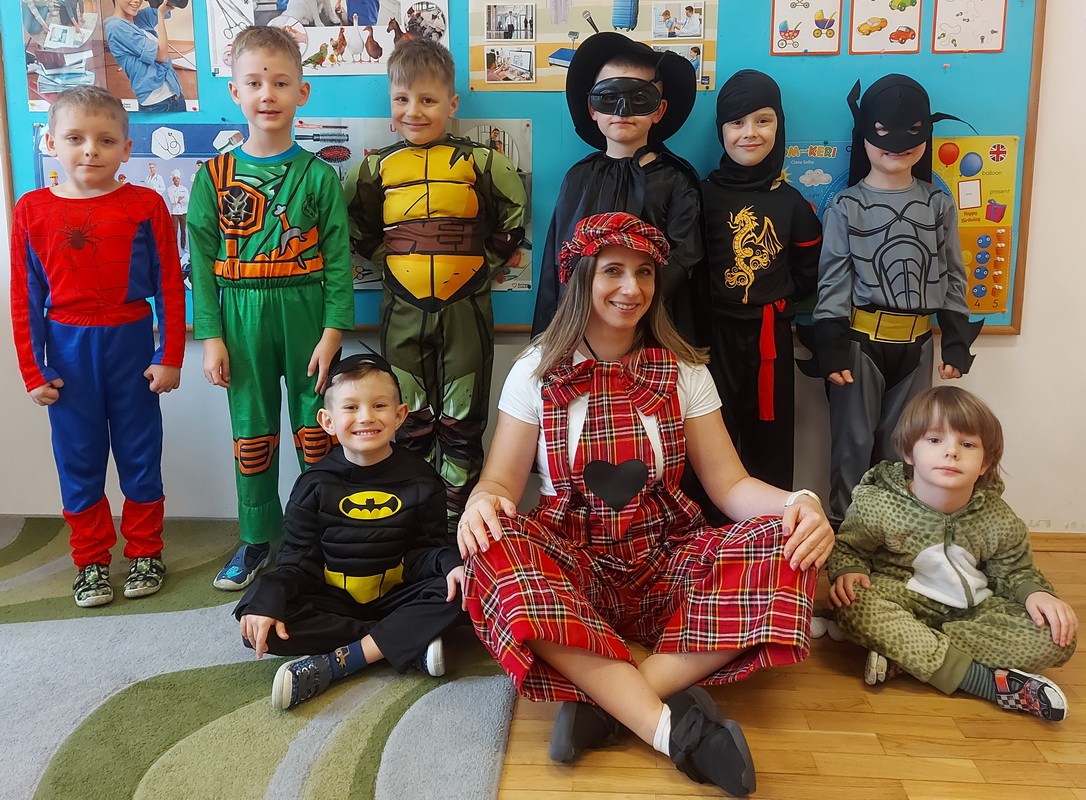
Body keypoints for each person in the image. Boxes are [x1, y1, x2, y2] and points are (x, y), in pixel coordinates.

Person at [459, 213, 833, 797]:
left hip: (665, 563)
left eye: (645, 273)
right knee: (491, 544)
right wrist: (481, 503)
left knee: (790, 542)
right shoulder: (534, 370)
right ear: (581, 277)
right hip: (574, 572)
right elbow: (500, 485)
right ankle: (671, 731)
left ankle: (611, 704)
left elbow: (731, 487)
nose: (631, 289)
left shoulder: (684, 369)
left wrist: (801, 503)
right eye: (613, 271)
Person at [188, 25, 355, 591]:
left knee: (317, 429)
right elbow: (201, 263)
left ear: (301, 92)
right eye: (255, 82)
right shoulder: (213, 177)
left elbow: (339, 259)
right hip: (241, 317)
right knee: (251, 430)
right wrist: (211, 337)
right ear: (235, 91)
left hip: (306, 312)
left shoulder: (319, 176)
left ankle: (320, 534)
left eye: (281, 82)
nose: (268, 94)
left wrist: (333, 332)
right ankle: (257, 537)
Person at [9, 86, 184, 607]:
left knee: (140, 454)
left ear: (126, 148)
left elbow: (170, 285)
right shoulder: (31, 210)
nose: (90, 149)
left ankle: (146, 552)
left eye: (106, 140)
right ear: (50, 143)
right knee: (78, 460)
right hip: (67, 351)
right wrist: (33, 370)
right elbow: (24, 297)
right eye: (75, 138)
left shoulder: (145, 205)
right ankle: (90, 561)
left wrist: (169, 355)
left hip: (131, 345)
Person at [346, 38, 526, 528]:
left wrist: (480, 266)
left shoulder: (483, 162)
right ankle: (415, 518)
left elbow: (513, 216)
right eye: (402, 99)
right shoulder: (374, 167)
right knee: (407, 418)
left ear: (452, 104)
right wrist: (392, 262)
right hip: (401, 308)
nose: (414, 111)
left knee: (463, 421)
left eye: (427, 99)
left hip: (466, 307)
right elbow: (356, 225)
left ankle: (458, 522)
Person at [828, 386, 1077, 720]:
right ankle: (985, 684)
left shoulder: (998, 517)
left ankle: (905, 654)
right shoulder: (879, 504)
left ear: (986, 462)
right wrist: (848, 570)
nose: (951, 452)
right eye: (934, 440)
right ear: (909, 452)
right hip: (901, 600)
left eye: (967, 444)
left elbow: (1015, 571)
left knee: (1058, 636)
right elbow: (848, 547)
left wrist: (1035, 593)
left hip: (971, 612)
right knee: (853, 602)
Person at [235, 353, 466, 710]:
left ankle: (342, 660)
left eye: (379, 405)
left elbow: (426, 550)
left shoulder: (423, 479)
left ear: (400, 415)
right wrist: (267, 600)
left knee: (463, 590)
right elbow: (297, 563)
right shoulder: (313, 485)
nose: (366, 417)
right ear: (327, 421)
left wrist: (450, 564)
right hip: (333, 600)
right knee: (260, 623)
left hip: (397, 595)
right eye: (351, 407)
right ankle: (402, 642)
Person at [813, 74, 982, 526]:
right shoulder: (846, 206)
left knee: (905, 446)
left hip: (919, 346)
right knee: (851, 447)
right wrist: (831, 345)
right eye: (884, 131)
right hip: (860, 344)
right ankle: (846, 536)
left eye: (911, 132)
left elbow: (953, 274)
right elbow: (833, 279)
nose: (897, 144)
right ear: (865, 133)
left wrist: (956, 343)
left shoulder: (939, 204)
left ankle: (892, 536)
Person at [532, 34, 702, 339]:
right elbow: (558, 260)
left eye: (640, 99)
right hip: (581, 328)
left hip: (651, 328)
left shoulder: (676, 180)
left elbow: (684, 257)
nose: (623, 111)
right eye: (609, 98)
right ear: (592, 108)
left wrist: (632, 300)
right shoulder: (578, 178)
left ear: (659, 110)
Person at [698, 71, 822, 491]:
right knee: (708, 439)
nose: (749, 133)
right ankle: (705, 530)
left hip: (769, 337)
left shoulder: (791, 203)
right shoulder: (701, 196)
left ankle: (769, 527)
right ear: (721, 130)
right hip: (709, 339)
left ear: (779, 125)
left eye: (763, 120)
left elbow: (809, 270)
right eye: (736, 122)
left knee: (769, 442)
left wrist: (778, 300)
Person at [104, 0, 186, 113]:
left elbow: (167, 4)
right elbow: (162, 56)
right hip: (158, 103)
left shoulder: (139, 18)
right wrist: (160, 15)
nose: (137, 1)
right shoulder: (116, 27)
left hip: (175, 94)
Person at [166, 169, 189, 251]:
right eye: (174, 178)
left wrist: (178, 200)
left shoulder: (184, 189)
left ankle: (183, 246)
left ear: (179, 179)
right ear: (173, 180)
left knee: (183, 230)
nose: (176, 180)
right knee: (174, 231)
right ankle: (174, 247)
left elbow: (187, 200)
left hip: (183, 212)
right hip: (174, 212)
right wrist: (178, 199)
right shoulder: (169, 189)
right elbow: (172, 200)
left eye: (177, 178)